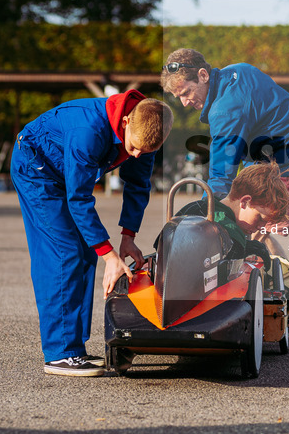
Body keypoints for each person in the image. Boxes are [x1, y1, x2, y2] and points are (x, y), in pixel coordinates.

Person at [11, 90, 172, 377]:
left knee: (87, 251)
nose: (135, 155)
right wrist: (110, 257)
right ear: (124, 122)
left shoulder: (147, 131)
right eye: (132, 148)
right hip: (36, 167)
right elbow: (79, 199)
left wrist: (127, 237)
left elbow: (137, 185)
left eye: (144, 153)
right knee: (65, 252)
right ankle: (60, 354)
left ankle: (75, 349)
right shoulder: (87, 131)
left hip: (64, 168)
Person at [160, 48, 289, 324]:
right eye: (178, 97)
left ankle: (288, 304)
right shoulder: (237, 71)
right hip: (282, 156)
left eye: (185, 93)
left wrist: (210, 208)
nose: (184, 102)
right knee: (256, 229)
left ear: (203, 75)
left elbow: (222, 167)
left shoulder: (225, 108)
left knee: (253, 229)